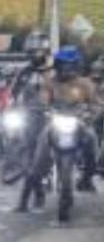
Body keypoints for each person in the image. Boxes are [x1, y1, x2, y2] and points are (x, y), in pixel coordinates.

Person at [17, 45, 101, 212]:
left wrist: (89, 115)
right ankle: (24, 201)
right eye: (63, 64)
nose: (67, 68)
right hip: (55, 123)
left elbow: (97, 104)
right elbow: (43, 100)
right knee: (37, 160)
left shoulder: (86, 84)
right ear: (58, 64)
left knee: (92, 139)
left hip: (79, 122)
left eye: (71, 65)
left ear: (77, 65)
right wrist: (44, 109)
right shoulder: (50, 82)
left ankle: (88, 175)